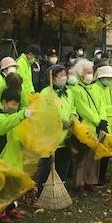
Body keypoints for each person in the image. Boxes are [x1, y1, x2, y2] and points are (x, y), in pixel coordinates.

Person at [0, 88, 31, 223]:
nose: (15, 107)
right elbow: (3, 127)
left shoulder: (18, 119)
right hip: (3, 157)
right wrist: (22, 115)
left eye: (17, 104)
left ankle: (11, 207)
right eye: (12, 104)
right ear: (4, 102)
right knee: (2, 186)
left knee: (14, 186)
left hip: (16, 157)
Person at [37, 64, 77, 194]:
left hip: (65, 137)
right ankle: (42, 191)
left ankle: (60, 189)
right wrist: (59, 123)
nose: (64, 78)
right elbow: (43, 115)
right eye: (61, 76)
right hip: (50, 138)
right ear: (52, 78)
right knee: (46, 166)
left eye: (65, 75)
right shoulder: (45, 93)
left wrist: (72, 118)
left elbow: (73, 109)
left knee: (63, 165)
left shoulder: (68, 92)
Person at [70, 59, 103, 194]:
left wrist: (102, 120)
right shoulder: (76, 90)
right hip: (85, 128)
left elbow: (101, 105)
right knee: (82, 157)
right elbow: (83, 109)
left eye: (91, 72)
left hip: (97, 127)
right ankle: (79, 184)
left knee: (94, 157)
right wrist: (97, 120)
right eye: (87, 72)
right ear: (80, 74)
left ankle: (91, 181)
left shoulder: (95, 88)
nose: (90, 74)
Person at [92, 65, 112, 186]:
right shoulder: (95, 88)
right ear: (101, 78)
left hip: (109, 122)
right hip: (101, 123)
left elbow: (111, 98)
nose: (109, 80)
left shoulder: (107, 87)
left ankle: (101, 176)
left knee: (107, 151)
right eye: (107, 78)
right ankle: (97, 177)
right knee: (100, 151)